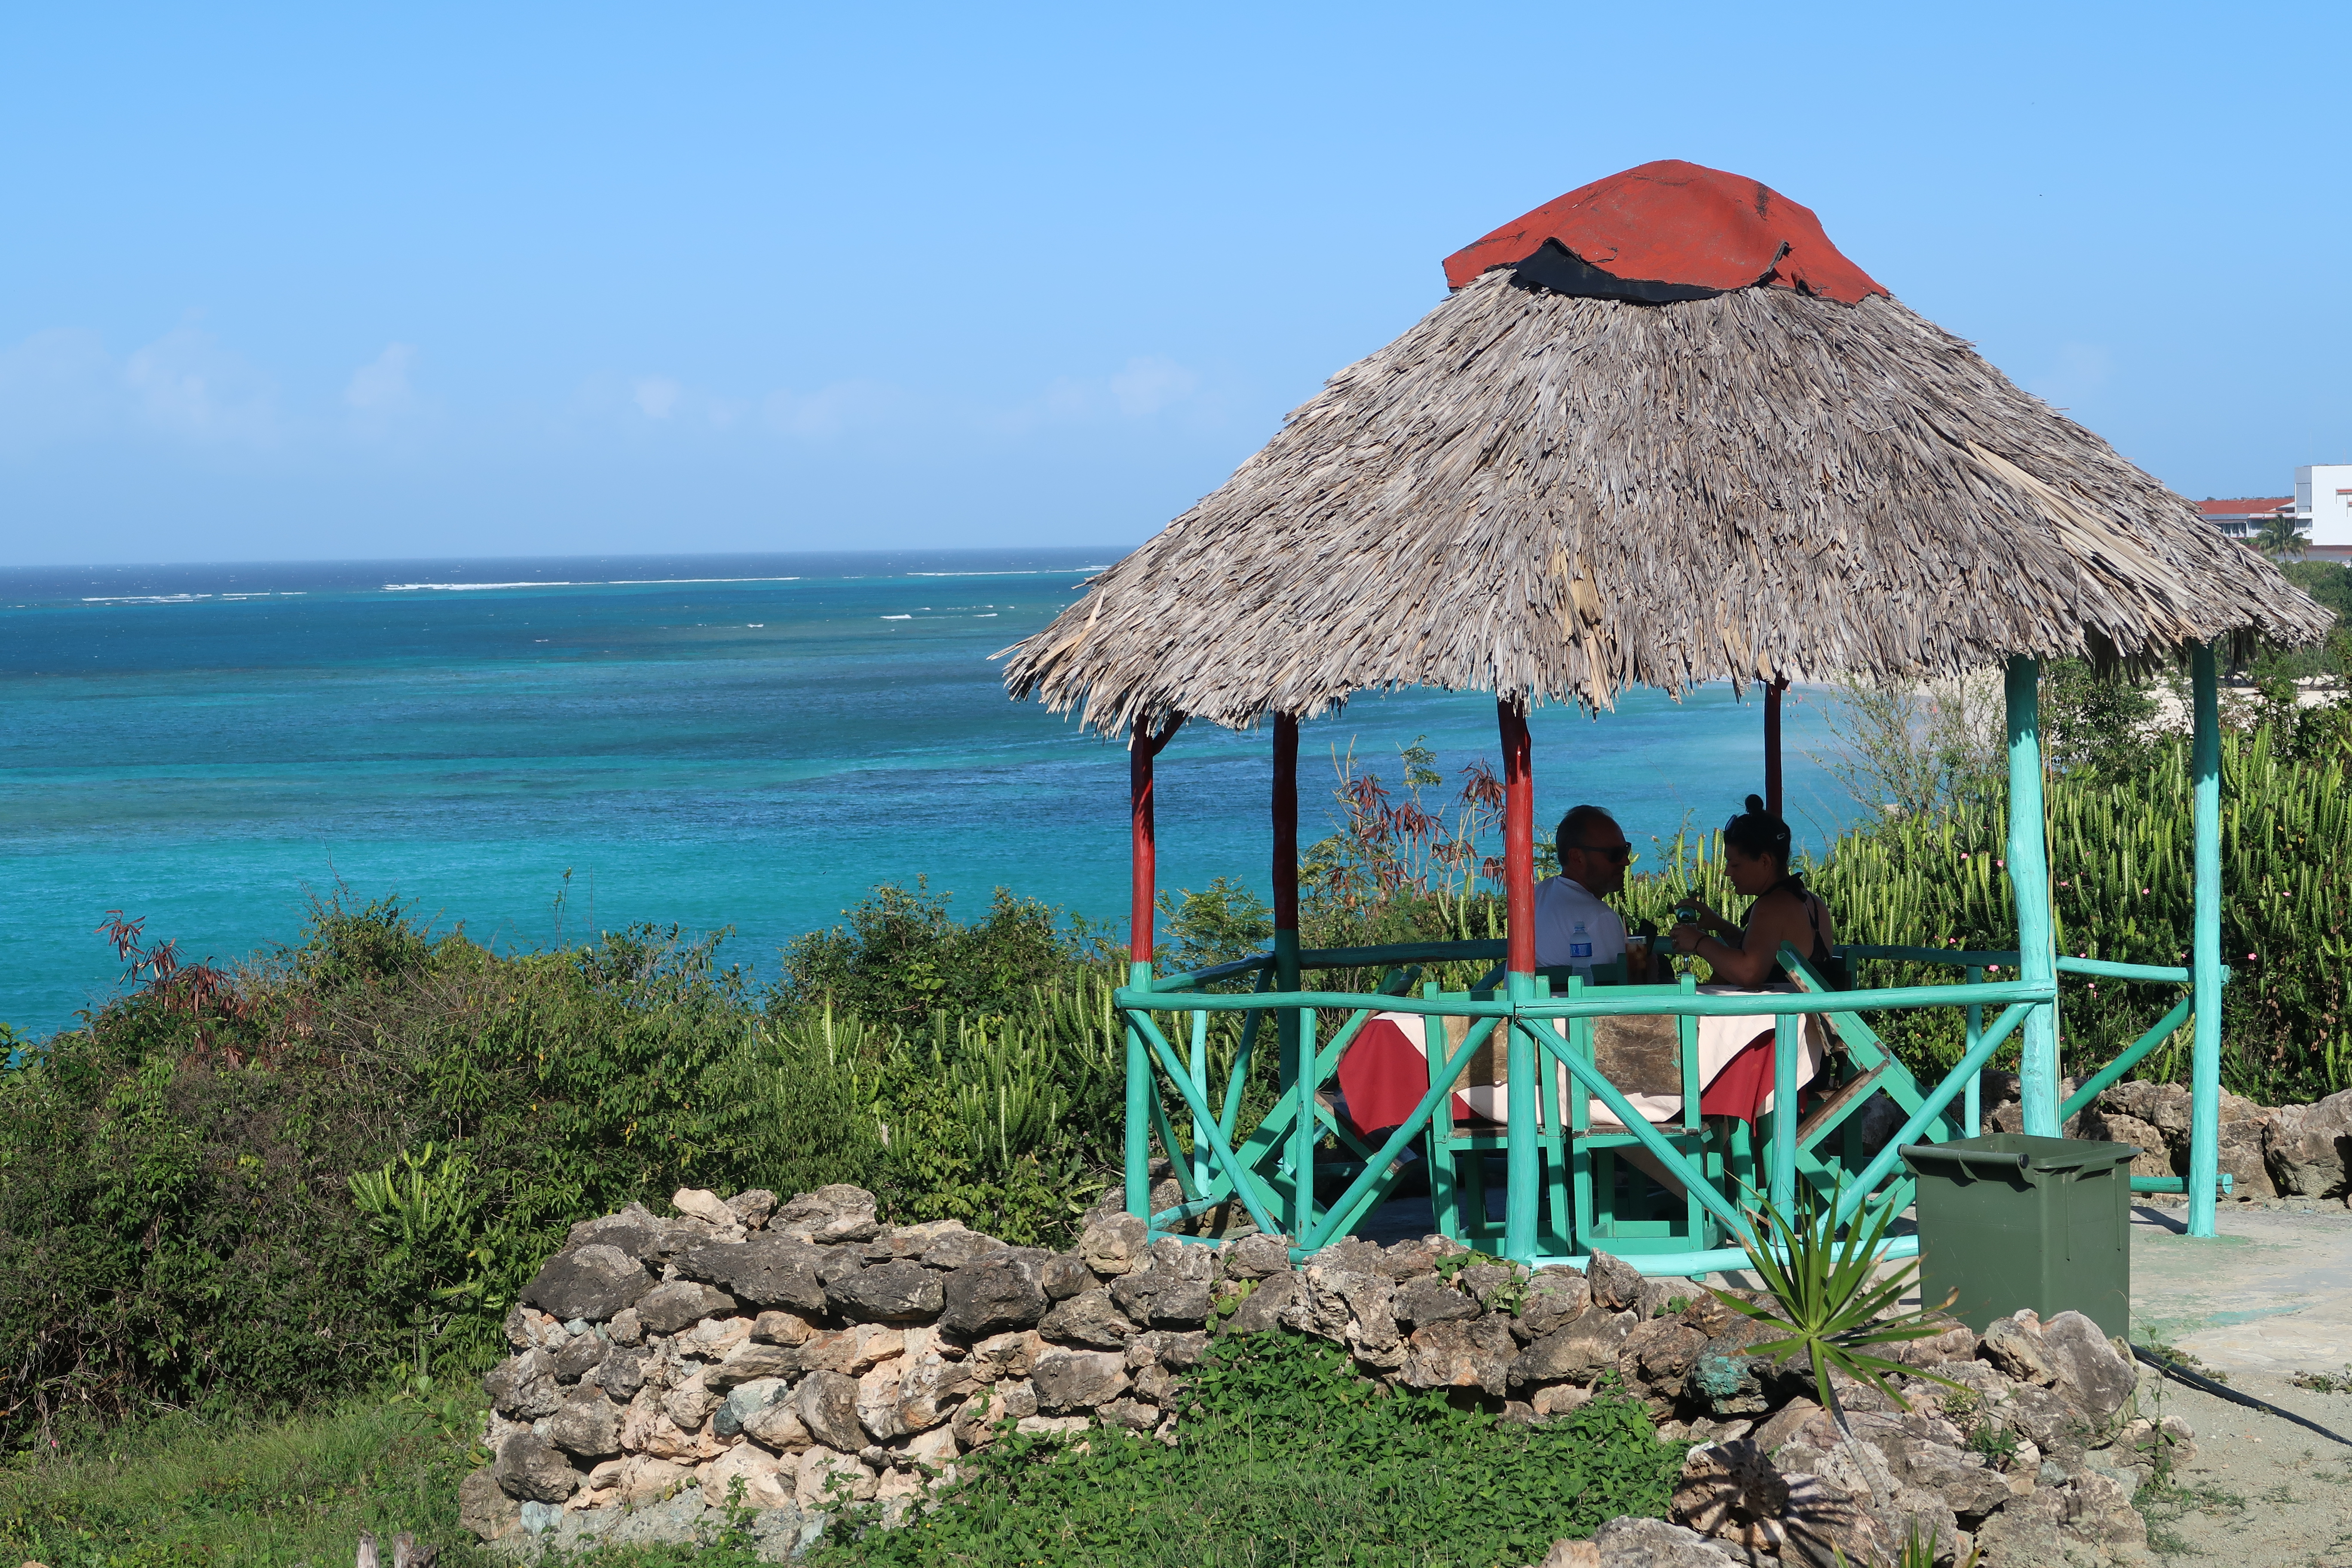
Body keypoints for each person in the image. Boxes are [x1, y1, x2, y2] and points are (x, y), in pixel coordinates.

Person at [1670, 795, 1843, 989]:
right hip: (1815, 1015)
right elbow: (1763, 949)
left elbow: (1749, 972)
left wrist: (1698, 942)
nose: (1728, 872)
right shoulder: (1811, 901)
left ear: (1765, 861)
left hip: (1787, 1018)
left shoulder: (1772, 906)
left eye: (1735, 864)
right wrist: (1722, 927)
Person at [1534, 804, 1631, 973]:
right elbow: (1619, 990)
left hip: (1525, 999)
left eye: (1626, 850)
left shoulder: (1538, 894)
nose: (1625, 861)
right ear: (1577, 857)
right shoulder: (1600, 917)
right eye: (1615, 854)